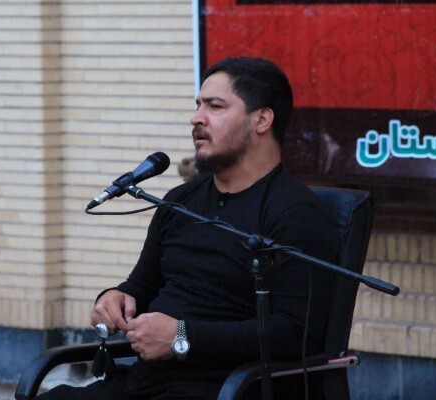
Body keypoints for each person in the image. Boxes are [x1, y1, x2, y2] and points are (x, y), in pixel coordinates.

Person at [37, 57, 339, 399]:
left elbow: (296, 333)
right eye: (198, 105)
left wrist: (182, 337)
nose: (196, 118)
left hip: (226, 389)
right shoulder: (180, 201)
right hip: (143, 383)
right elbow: (140, 287)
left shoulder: (296, 213)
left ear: (262, 120)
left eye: (215, 106)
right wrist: (114, 299)